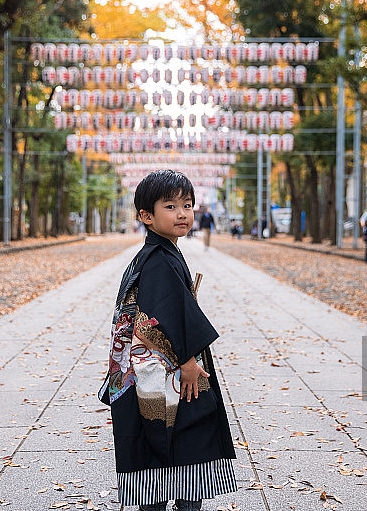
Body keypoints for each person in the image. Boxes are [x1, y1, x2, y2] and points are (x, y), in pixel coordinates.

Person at [99, 170, 237, 511]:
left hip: (160, 370)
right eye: (171, 206)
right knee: (186, 435)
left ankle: (160, 502)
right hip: (171, 371)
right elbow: (164, 315)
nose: (182, 214)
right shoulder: (159, 260)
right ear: (146, 216)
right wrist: (190, 362)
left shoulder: (158, 254)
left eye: (187, 205)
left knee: (163, 439)